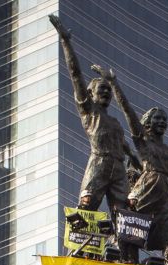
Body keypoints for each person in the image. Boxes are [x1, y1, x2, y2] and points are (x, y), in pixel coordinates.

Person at [48, 16, 139, 214]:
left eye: (108, 90)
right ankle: (77, 245)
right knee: (86, 209)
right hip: (99, 163)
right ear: (90, 94)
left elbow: (127, 149)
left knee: (126, 218)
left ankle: (123, 245)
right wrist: (66, 41)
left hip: (119, 168)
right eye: (102, 89)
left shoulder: (115, 122)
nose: (106, 93)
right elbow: (75, 74)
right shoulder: (89, 110)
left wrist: (139, 163)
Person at [112, 86, 168, 262]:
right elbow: (128, 111)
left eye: (164, 119)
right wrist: (114, 84)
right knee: (132, 224)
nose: (162, 122)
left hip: (165, 192)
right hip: (148, 184)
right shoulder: (143, 141)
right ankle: (128, 260)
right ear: (148, 122)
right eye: (157, 118)